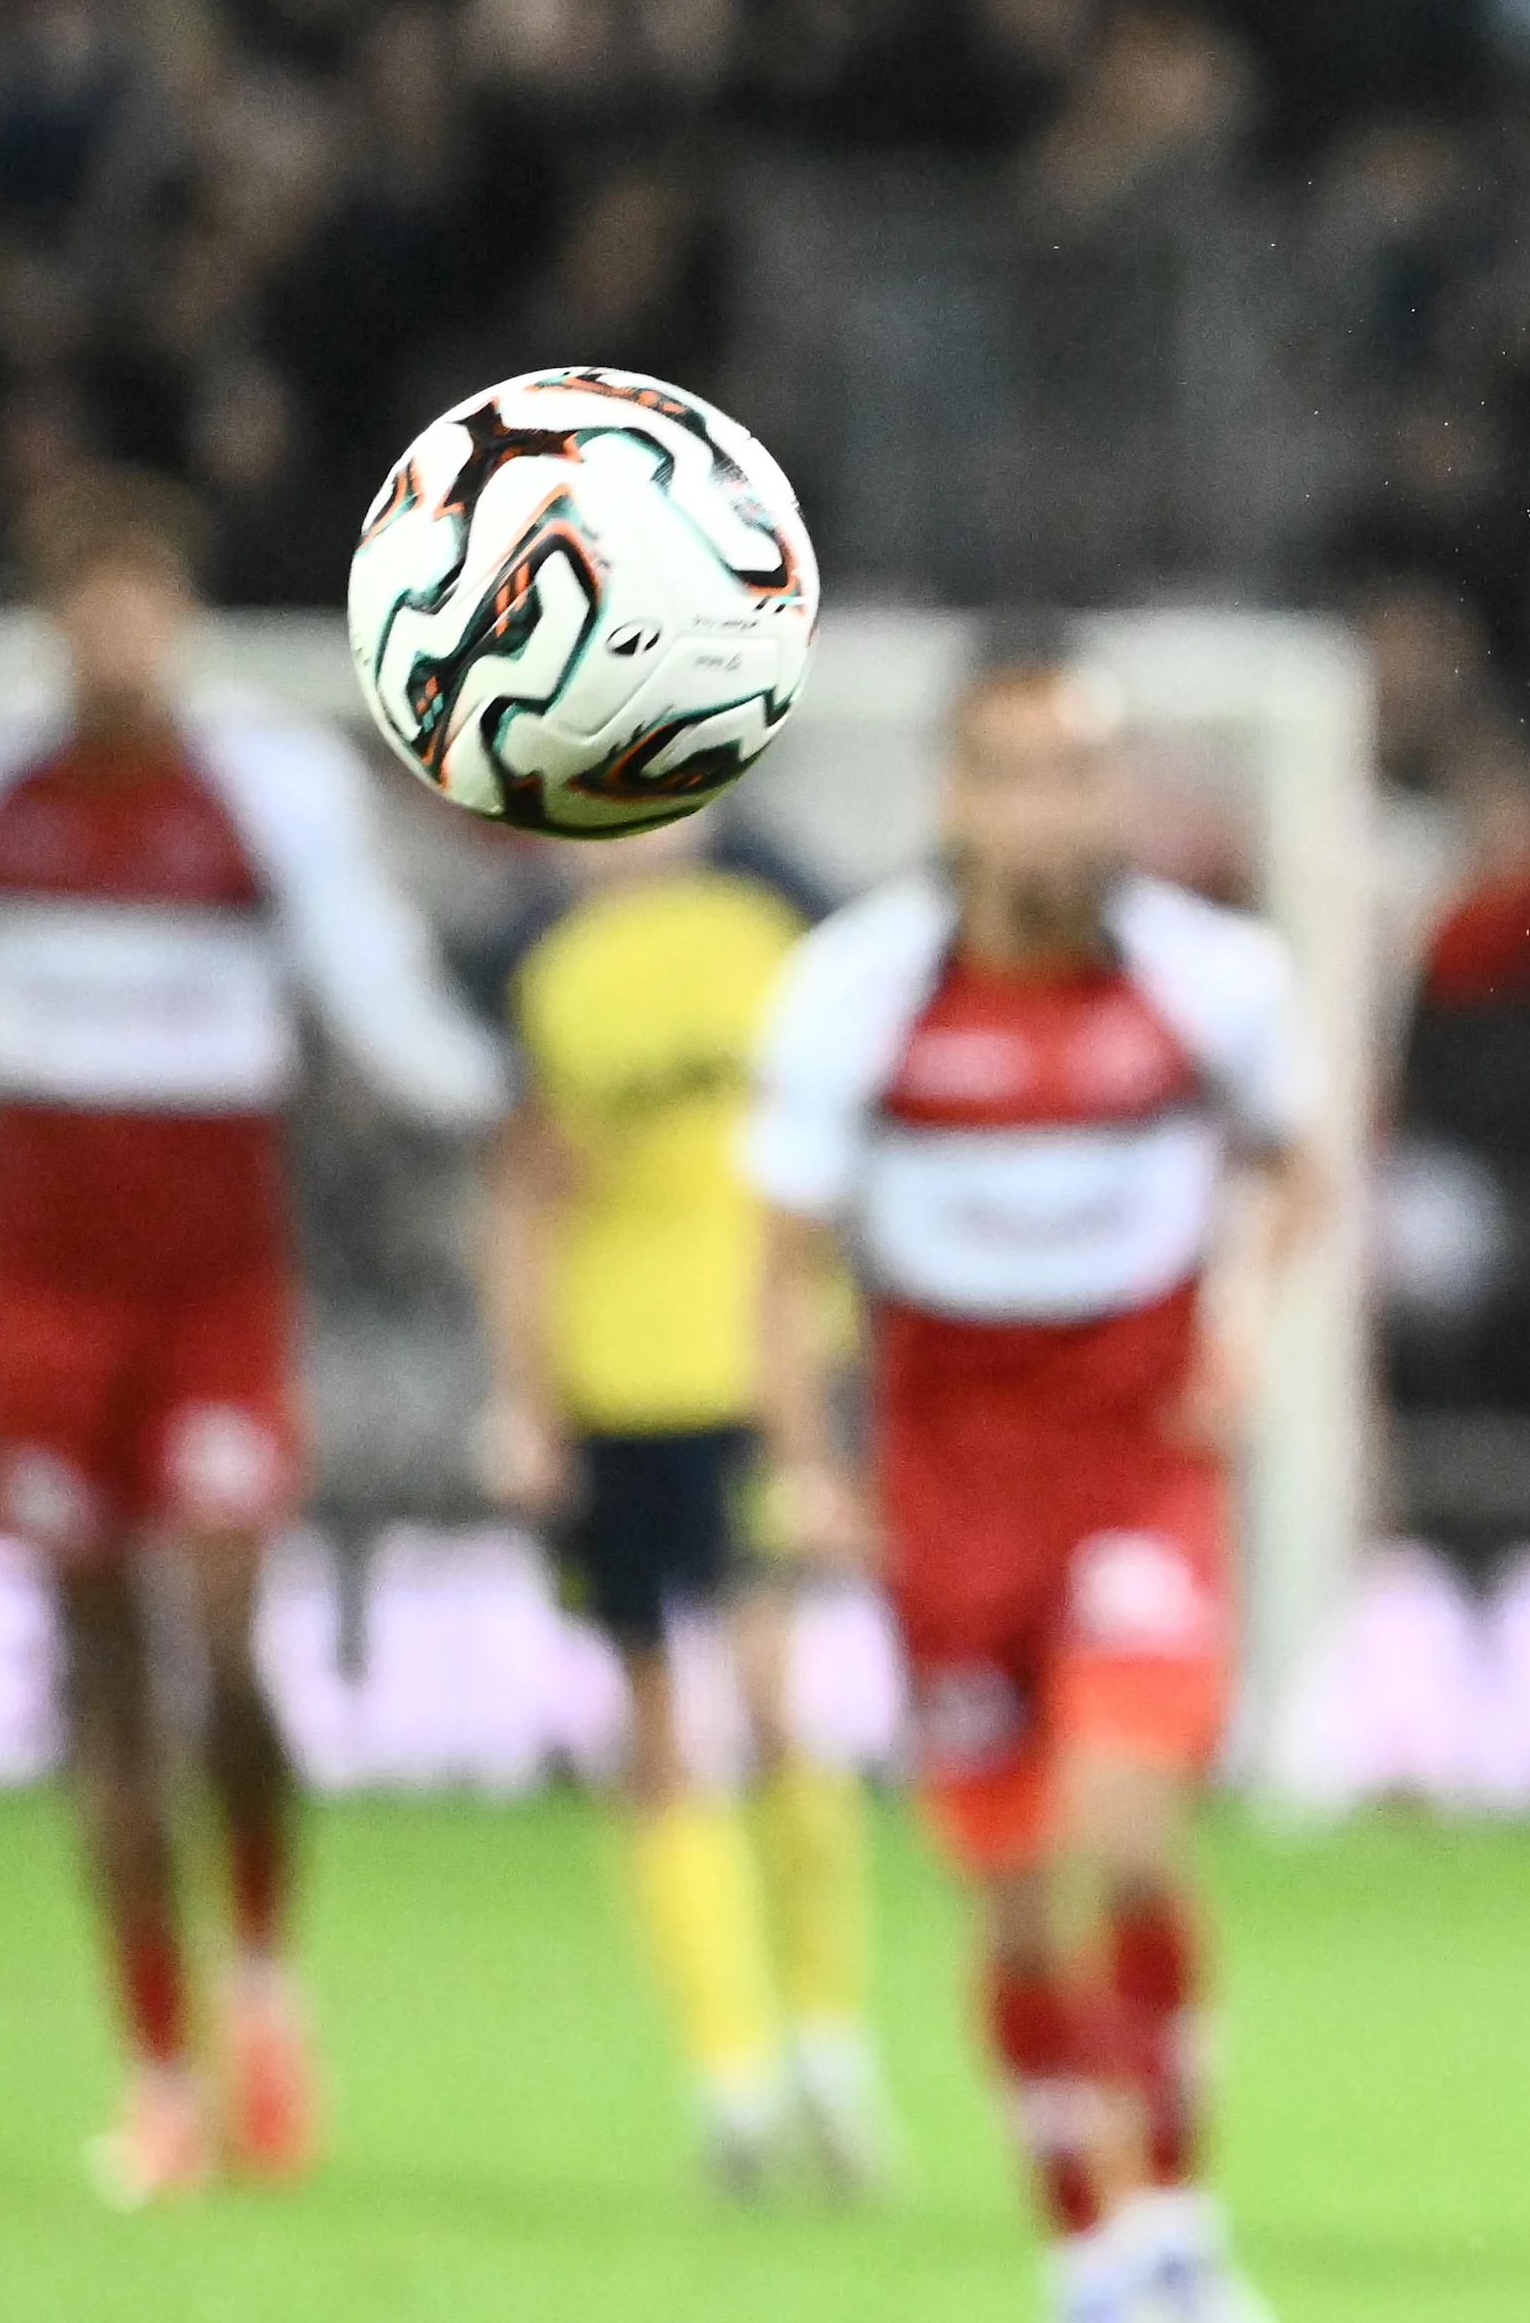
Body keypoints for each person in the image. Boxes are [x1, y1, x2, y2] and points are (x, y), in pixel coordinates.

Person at [0, 471, 506, 2202]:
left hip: (213, 1297)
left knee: (226, 1640)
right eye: (90, 605)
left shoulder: (265, 791)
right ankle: (158, 2067)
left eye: (144, 603)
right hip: (41, 1298)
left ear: (178, 620)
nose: (119, 636)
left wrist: (500, 1099)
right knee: (100, 1670)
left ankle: (262, 1974)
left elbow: (376, 998)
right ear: (56, 626)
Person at [744, 656, 1316, 2323]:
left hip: (1136, 1466)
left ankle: (1181, 2227)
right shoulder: (853, 993)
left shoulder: (1214, 978)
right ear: (955, 796)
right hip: (948, 1492)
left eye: (1077, 772)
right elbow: (781, 1259)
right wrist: (804, 1463)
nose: (1048, 809)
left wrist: (1241, 1322)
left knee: (1121, 1835)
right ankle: (1083, 2247)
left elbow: (1294, 1165)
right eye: (1013, 772)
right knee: (1005, 1893)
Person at [477, 806, 891, 2194]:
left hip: (756, 1373)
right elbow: (522, 1203)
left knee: (773, 1701)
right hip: (614, 1380)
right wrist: (526, 1400)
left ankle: (829, 2042)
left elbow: (831, 1166)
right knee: (657, 1726)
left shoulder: (776, 941)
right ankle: (733, 2076)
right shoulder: (545, 977)